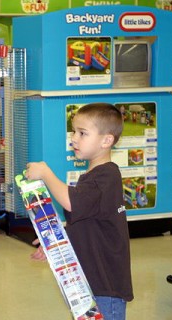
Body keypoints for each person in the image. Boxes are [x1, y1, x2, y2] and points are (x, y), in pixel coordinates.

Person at [25, 103, 133, 320]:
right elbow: (82, 222)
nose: (74, 138)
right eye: (74, 131)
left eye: (82, 133)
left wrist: (46, 173)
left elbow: (71, 203)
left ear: (106, 140)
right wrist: (54, 244)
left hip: (105, 285)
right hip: (89, 281)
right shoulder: (95, 178)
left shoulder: (106, 176)